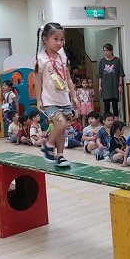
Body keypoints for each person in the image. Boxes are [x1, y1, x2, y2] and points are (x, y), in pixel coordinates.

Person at [34, 23, 79, 167]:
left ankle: (60, 155)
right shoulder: (41, 59)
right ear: (45, 39)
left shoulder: (63, 58)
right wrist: (38, 99)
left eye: (62, 39)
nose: (59, 43)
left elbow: (69, 79)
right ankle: (47, 145)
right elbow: (38, 81)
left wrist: (74, 96)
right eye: (55, 39)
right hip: (50, 100)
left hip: (64, 99)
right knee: (61, 124)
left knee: (61, 129)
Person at [97, 43, 125, 120]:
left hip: (114, 86)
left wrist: (120, 85)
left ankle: (116, 122)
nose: (105, 52)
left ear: (111, 51)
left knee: (115, 105)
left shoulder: (117, 60)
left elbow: (120, 74)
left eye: (107, 50)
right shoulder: (102, 61)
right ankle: (107, 122)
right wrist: (100, 86)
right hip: (105, 87)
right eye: (104, 50)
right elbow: (100, 75)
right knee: (106, 107)